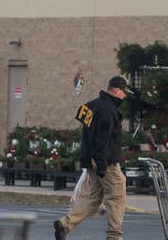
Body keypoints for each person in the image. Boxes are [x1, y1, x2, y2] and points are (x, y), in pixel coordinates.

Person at [54, 76, 130, 240]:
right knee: (116, 197)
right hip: (106, 164)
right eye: (124, 92)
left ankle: (65, 224)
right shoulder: (108, 111)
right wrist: (102, 165)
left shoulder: (91, 105)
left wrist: (92, 162)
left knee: (93, 199)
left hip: (91, 161)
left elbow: (86, 135)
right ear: (116, 90)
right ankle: (114, 236)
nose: (125, 96)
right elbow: (102, 139)